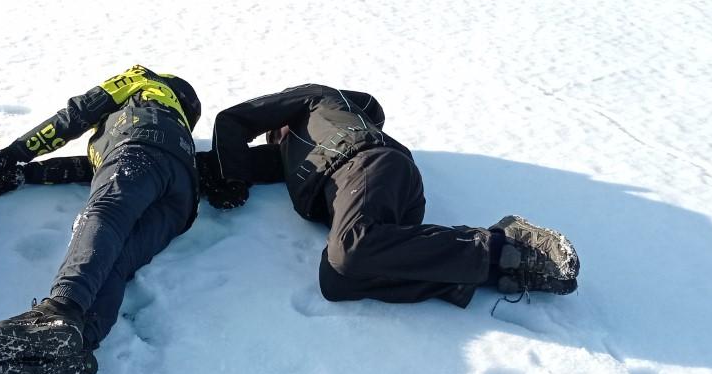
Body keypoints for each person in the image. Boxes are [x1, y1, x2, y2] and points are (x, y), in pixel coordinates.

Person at [196, 83, 579, 309]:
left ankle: (502, 243)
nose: (275, 138)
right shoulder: (291, 159)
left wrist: (233, 179)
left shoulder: (318, 100)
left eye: (274, 132)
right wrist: (209, 173)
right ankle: (491, 270)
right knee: (337, 280)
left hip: (367, 165)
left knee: (352, 248)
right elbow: (229, 162)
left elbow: (233, 119)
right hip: (372, 208)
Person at [0, 65, 201, 374]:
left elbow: (75, 116)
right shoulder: (178, 131)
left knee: (104, 214)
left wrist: (10, 156)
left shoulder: (145, 82)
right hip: (183, 198)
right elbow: (88, 167)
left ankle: (60, 309)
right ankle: (78, 345)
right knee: (116, 260)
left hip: (139, 148)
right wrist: (23, 175)